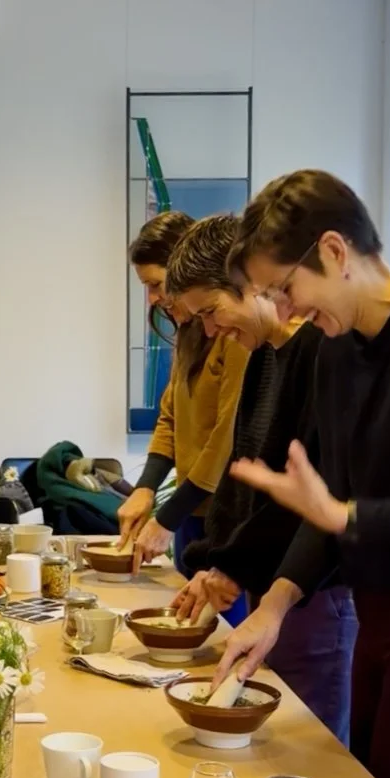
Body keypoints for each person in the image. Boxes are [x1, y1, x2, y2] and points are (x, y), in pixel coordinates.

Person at [212, 170, 390, 778]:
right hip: (376, 620)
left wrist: (346, 516)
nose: (284, 312)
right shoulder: (335, 353)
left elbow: (338, 511)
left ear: (334, 251)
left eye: (285, 288)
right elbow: (325, 503)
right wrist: (273, 607)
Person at [163, 214, 356, 742]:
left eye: (210, 311)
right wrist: (220, 561)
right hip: (272, 590)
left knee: (308, 758)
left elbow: (306, 497)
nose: (209, 331)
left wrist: (235, 564)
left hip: (312, 592)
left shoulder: (321, 352)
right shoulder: (265, 356)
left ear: (248, 281)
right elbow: (244, 476)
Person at [119, 213, 249, 595]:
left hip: (225, 514)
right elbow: (170, 415)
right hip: (192, 509)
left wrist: (167, 517)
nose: (153, 299)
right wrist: (145, 488)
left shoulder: (233, 335)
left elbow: (225, 438)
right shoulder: (191, 332)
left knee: (217, 622)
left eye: (156, 285)